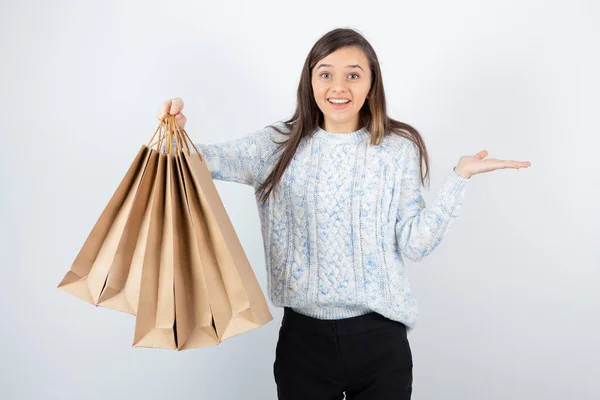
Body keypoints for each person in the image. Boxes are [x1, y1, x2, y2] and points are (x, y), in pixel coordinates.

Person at [157, 28, 530, 400]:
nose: (339, 87)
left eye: (353, 74)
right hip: (303, 343)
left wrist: (459, 177)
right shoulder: (277, 145)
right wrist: (174, 131)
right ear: (310, 81)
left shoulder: (397, 149)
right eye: (325, 73)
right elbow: (197, 164)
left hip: (381, 341)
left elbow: (415, 246)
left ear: (371, 84)